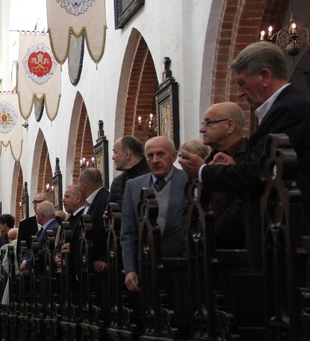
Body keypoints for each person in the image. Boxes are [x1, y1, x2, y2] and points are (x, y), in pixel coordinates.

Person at [180, 41, 310, 270]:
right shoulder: (284, 108)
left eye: (242, 84)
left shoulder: (287, 110)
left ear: (264, 76)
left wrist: (203, 170)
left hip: (287, 235)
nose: (239, 93)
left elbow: (257, 173)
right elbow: (263, 167)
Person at [121, 136, 188, 292]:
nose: (155, 160)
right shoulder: (133, 186)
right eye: (150, 156)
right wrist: (129, 269)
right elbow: (128, 232)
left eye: (161, 154)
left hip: (180, 264)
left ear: (173, 156)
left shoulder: (187, 181)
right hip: (145, 264)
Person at [192, 102, 248, 248]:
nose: (202, 129)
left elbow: (243, 204)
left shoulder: (250, 159)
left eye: (209, 123)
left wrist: (214, 236)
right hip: (204, 247)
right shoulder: (208, 161)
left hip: (239, 248)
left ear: (230, 126)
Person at [78, 168, 110, 273]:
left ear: (83, 186)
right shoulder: (90, 202)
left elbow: (110, 231)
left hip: (99, 266)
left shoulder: (105, 200)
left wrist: (104, 257)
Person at [20, 200, 59, 275]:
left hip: (45, 272)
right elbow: (31, 249)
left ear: (41, 216)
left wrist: (27, 264)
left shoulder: (53, 229)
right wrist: (24, 261)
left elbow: (45, 251)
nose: (36, 216)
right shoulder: (42, 229)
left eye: (37, 213)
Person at [109, 136, 149, 206]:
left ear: (127, 154)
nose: (113, 157)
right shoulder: (117, 182)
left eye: (115, 152)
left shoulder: (153, 176)